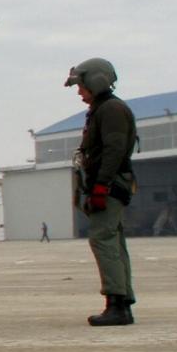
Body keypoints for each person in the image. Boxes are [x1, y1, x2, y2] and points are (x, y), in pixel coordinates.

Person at [66, 57, 137, 326]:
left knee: (103, 240)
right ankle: (122, 303)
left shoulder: (111, 110)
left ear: (94, 82)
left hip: (109, 186)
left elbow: (114, 150)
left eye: (81, 85)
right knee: (112, 242)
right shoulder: (104, 109)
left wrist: (100, 185)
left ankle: (116, 304)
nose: (79, 92)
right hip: (108, 184)